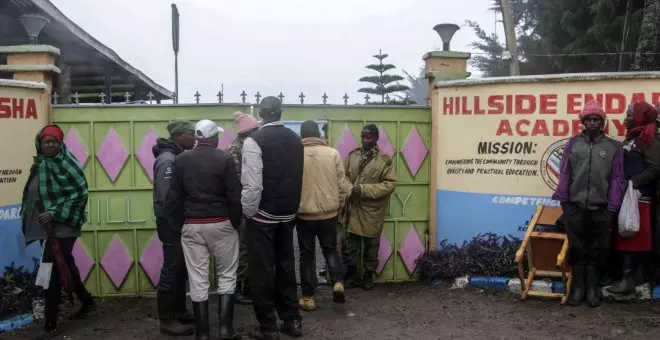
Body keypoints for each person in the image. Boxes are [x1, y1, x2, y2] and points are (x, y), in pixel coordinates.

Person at [165, 120, 242, 340]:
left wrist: (181, 224)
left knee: (198, 279)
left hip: (192, 225)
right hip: (221, 224)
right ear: (214, 139)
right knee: (227, 275)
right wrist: (234, 222)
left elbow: (173, 198)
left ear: (198, 137)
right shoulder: (224, 158)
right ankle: (226, 330)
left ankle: (203, 333)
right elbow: (234, 194)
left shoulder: (181, 160)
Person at [20, 125, 95, 339]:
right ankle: (87, 301)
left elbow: (80, 193)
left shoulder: (67, 164)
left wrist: (55, 212)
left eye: (54, 141)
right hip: (46, 226)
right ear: (40, 144)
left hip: (64, 225)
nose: (51, 145)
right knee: (66, 266)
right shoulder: (40, 164)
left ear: (60, 143)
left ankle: (50, 324)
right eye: (47, 141)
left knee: (50, 271)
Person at [241, 96, 304, 339]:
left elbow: (253, 185)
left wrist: (249, 212)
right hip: (288, 213)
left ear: (261, 112)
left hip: (263, 216)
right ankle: (292, 320)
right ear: (280, 112)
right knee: (286, 266)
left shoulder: (253, 141)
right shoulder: (295, 139)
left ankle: (268, 326)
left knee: (262, 271)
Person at [552, 100, 625, 307]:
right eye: (589, 119)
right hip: (575, 207)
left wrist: (612, 207)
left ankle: (593, 288)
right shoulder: (573, 144)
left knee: (598, 250)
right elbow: (565, 173)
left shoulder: (614, 147)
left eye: (596, 119)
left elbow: (617, 179)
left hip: (602, 209)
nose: (592, 123)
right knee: (577, 248)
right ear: (583, 122)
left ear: (602, 123)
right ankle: (577, 288)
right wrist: (564, 202)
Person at [296, 121, 352, 311]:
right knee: (330, 249)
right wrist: (339, 206)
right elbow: (343, 186)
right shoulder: (333, 153)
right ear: (318, 134)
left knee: (306, 255)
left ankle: (308, 297)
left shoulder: (295, 154)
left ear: (302, 135)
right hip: (329, 213)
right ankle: (338, 283)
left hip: (304, 214)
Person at [608, 102, 660, 295]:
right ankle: (632, 276)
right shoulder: (636, 136)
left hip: (640, 198)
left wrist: (634, 182)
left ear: (640, 117)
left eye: (630, 114)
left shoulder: (650, 140)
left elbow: (655, 168)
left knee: (632, 235)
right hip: (629, 196)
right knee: (626, 234)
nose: (626, 117)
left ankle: (627, 280)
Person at [152, 120, 196, 335]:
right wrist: (178, 222)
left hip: (176, 223)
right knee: (172, 269)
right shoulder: (168, 160)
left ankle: (180, 311)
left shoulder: (176, 156)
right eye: (191, 133)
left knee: (180, 268)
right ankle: (166, 320)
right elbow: (167, 197)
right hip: (171, 224)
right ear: (178, 135)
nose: (195, 137)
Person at [341, 124, 397, 290]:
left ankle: (368, 276)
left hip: (372, 210)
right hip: (353, 208)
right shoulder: (352, 156)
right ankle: (351, 275)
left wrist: (365, 190)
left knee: (371, 247)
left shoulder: (385, 160)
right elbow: (343, 176)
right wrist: (350, 190)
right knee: (350, 246)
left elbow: (390, 184)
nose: (365, 140)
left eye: (369, 137)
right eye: (363, 137)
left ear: (376, 138)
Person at [226, 111, 260, 305]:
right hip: (240, 206)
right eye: (256, 129)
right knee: (243, 248)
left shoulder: (246, 146)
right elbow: (237, 181)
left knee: (248, 247)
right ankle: (239, 289)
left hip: (247, 204)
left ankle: (246, 286)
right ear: (248, 131)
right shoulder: (236, 150)